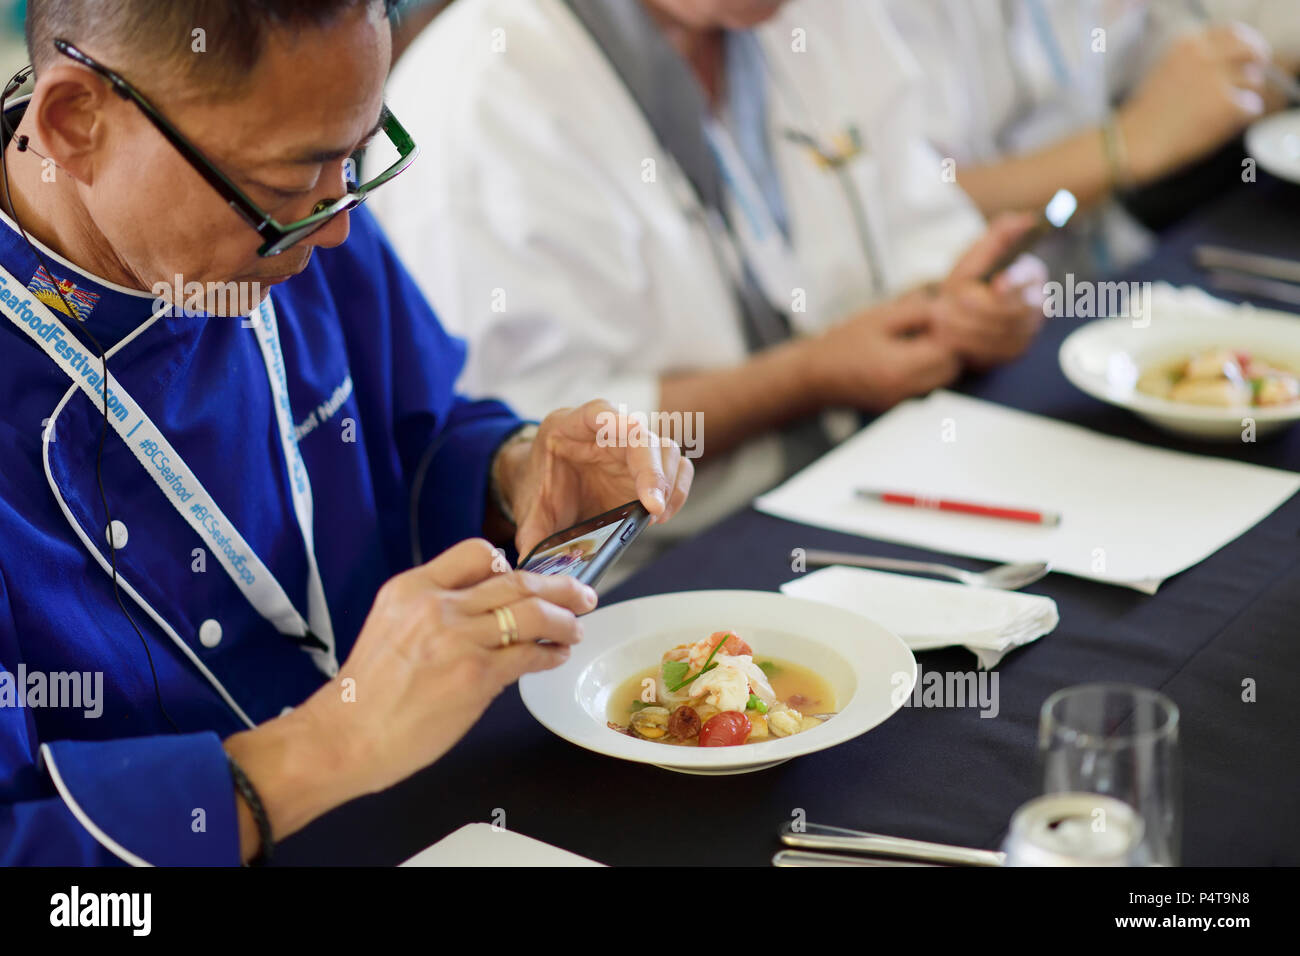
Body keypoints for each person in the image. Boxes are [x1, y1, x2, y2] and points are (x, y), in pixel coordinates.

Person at [0, 0, 692, 866]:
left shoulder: (296, 216)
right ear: (75, 122)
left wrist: (515, 471)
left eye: (355, 155)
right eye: (290, 187)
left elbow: (420, 430)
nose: (338, 229)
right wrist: (332, 744)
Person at [370, 0, 1049, 551]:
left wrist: (975, 298)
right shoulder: (485, 91)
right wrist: (810, 376)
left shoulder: (806, 18)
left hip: (881, 473)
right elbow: (537, 437)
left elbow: (923, 220)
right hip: (665, 560)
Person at [885, 0, 1290, 276]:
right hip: (996, 300)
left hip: (1111, 264)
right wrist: (1125, 143)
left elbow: (1148, 51)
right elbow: (913, 212)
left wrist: (1240, 77)